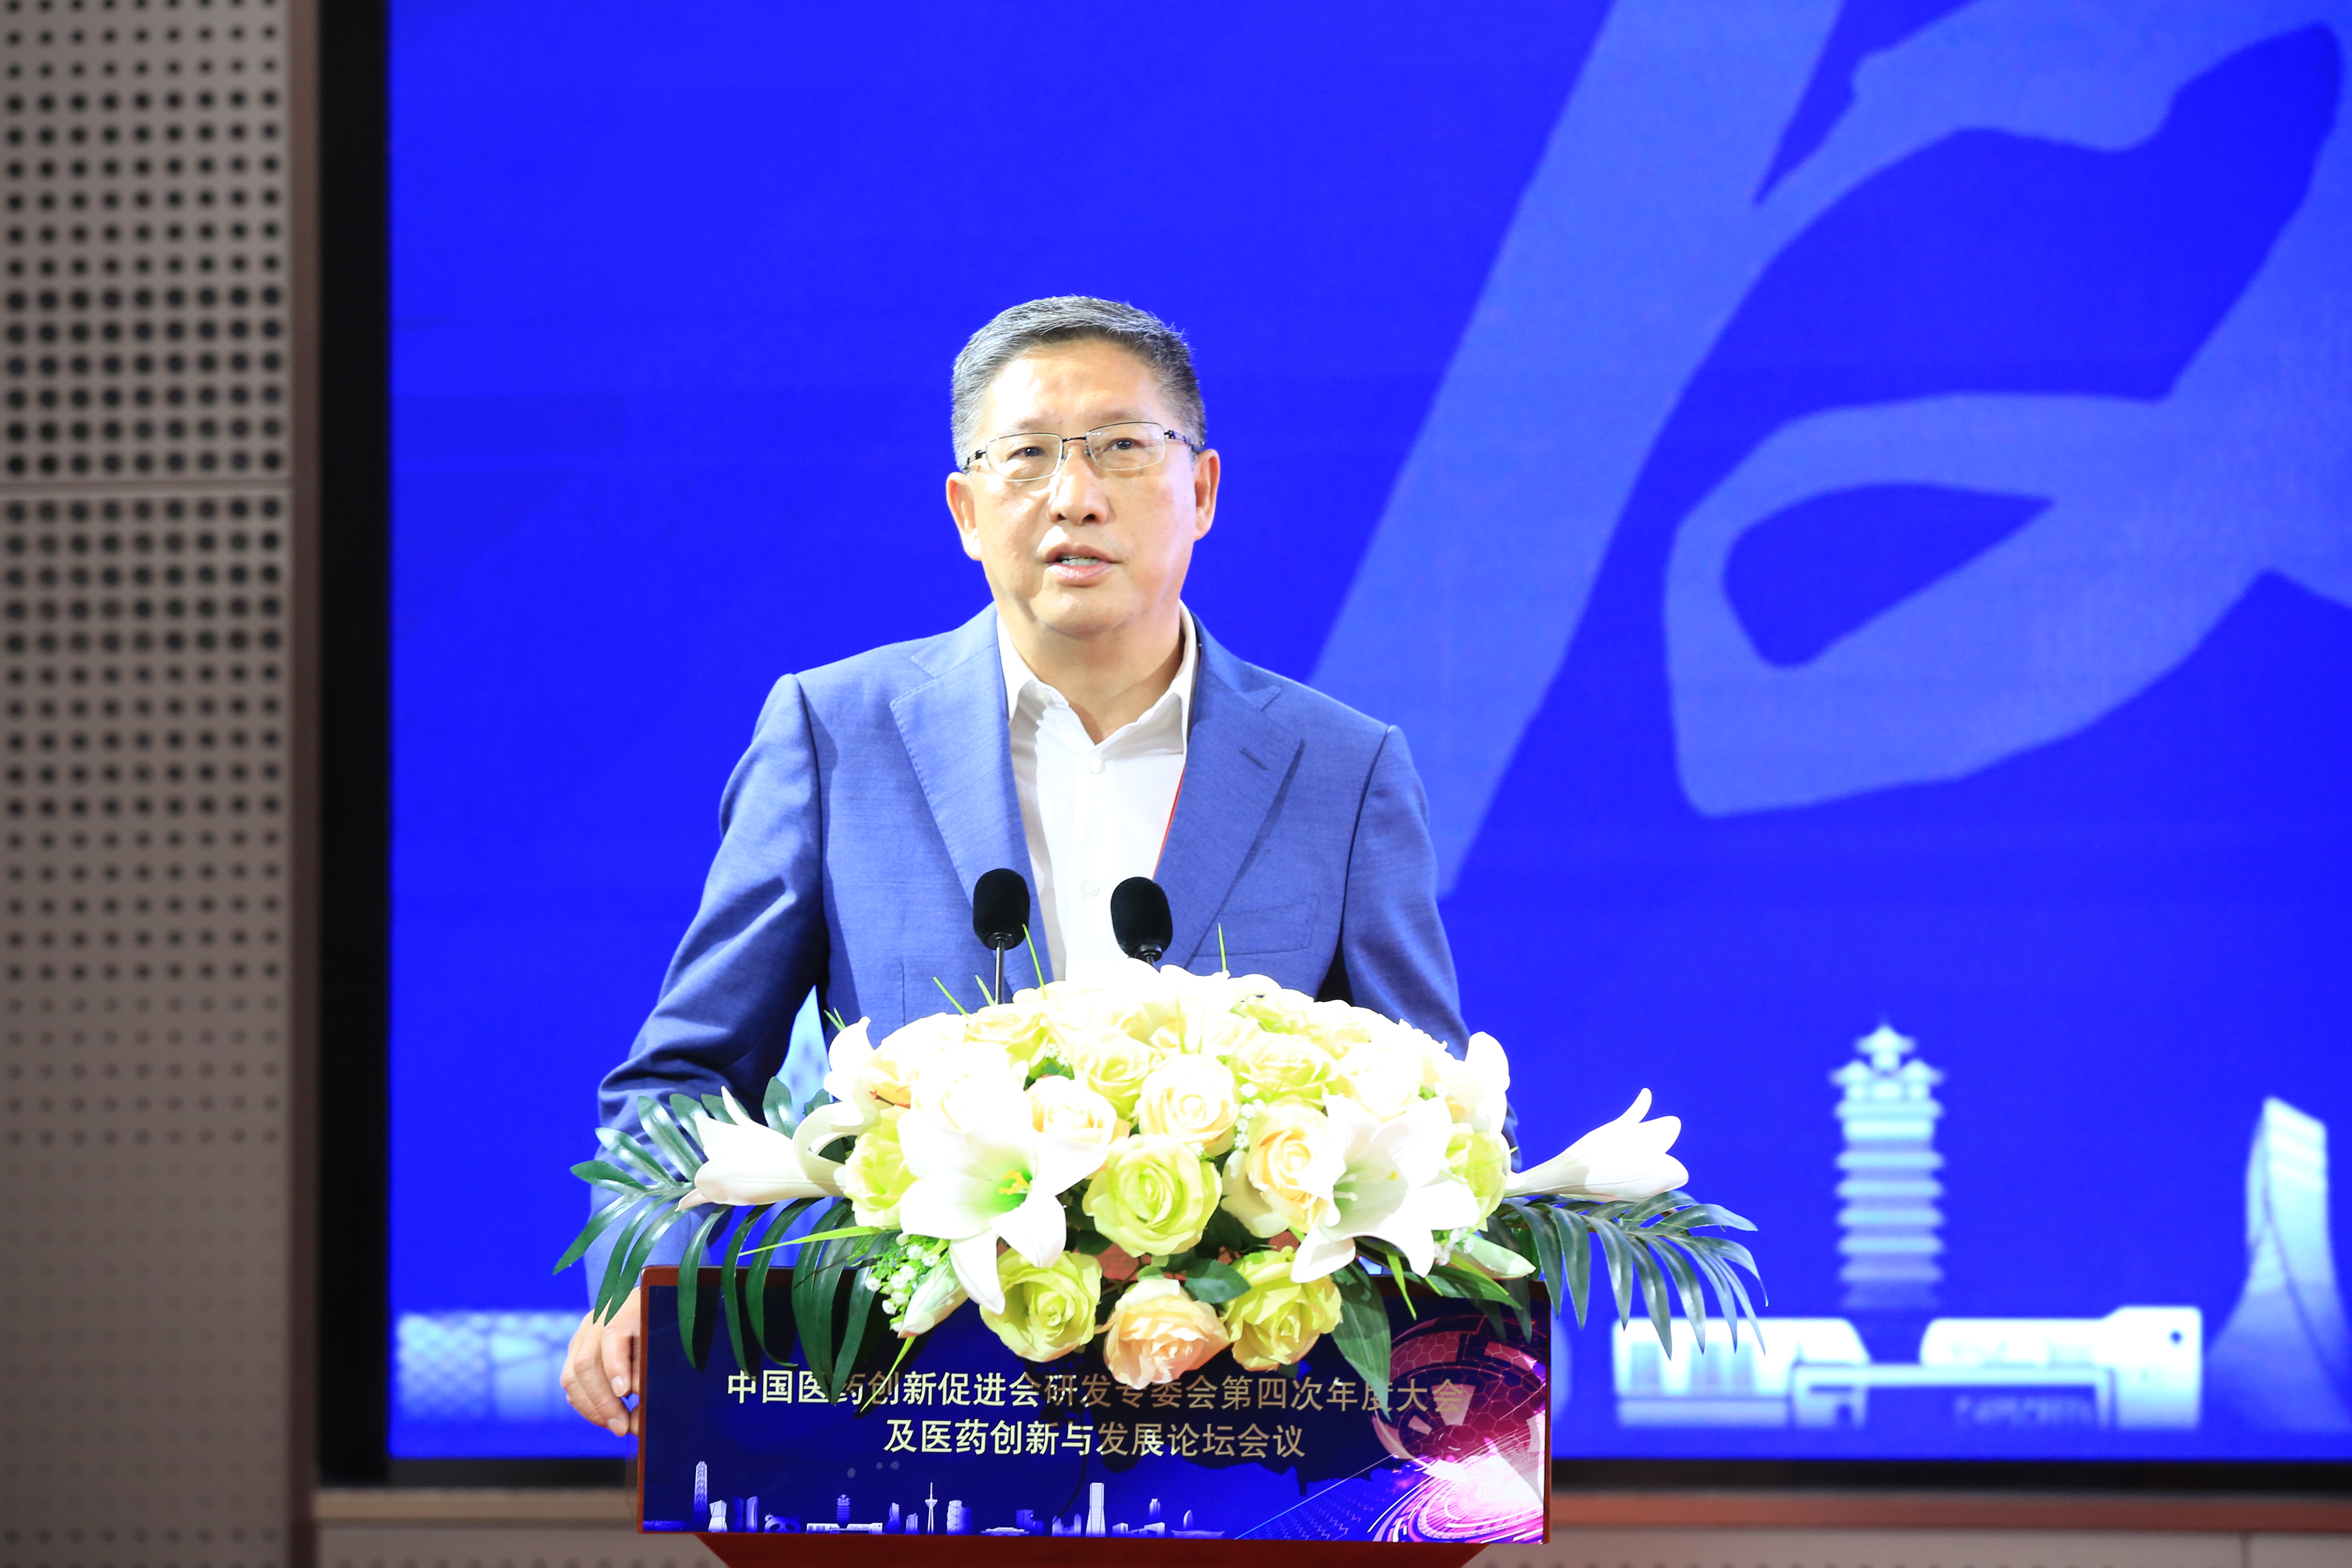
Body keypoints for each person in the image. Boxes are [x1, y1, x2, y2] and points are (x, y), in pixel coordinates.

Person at [559, 296, 1463, 1435]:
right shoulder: (836, 736)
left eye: (1123, 447)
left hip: (1240, 1423)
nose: (1074, 495)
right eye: (1026, 456)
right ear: (966, 511)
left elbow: (1433, 1112)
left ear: (1203, 490)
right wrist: (646, 1262)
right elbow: (686, 1072)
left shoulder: (1342, 767)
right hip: (916, 1400)